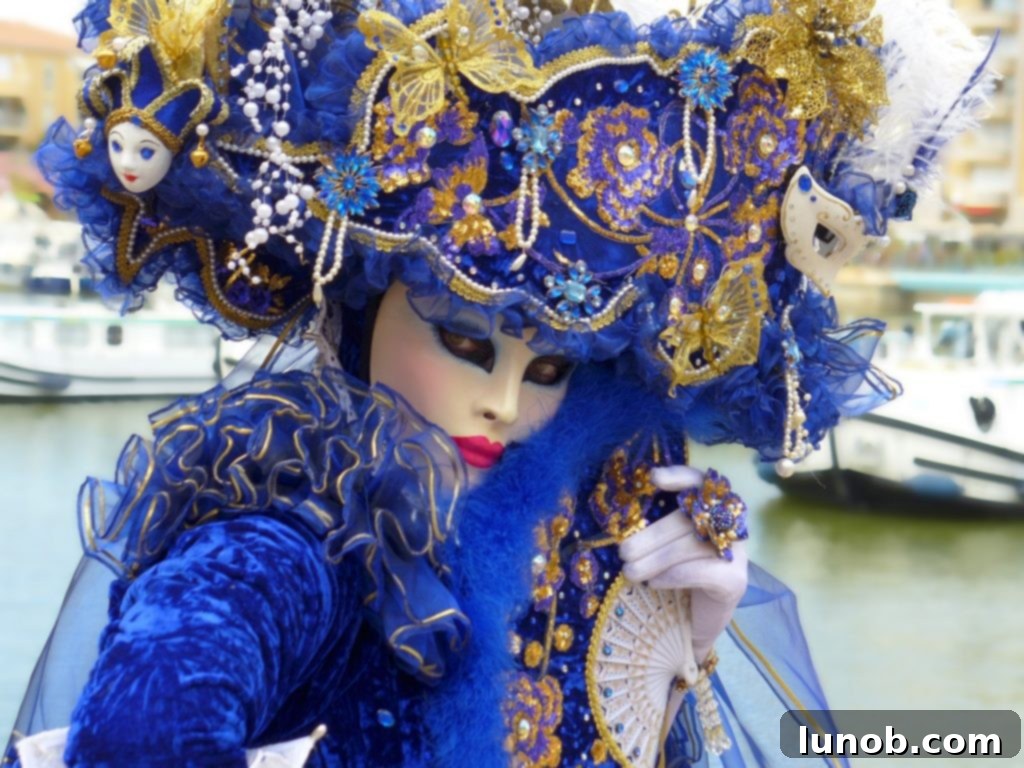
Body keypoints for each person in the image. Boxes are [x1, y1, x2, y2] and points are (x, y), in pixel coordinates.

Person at [4, 0, 992, 766]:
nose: (506, 406)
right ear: (364, 305)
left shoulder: (579, 499)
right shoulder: (298, 533)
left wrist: (677, 648)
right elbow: (153, 712)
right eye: (466, 343)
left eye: (550, 367)